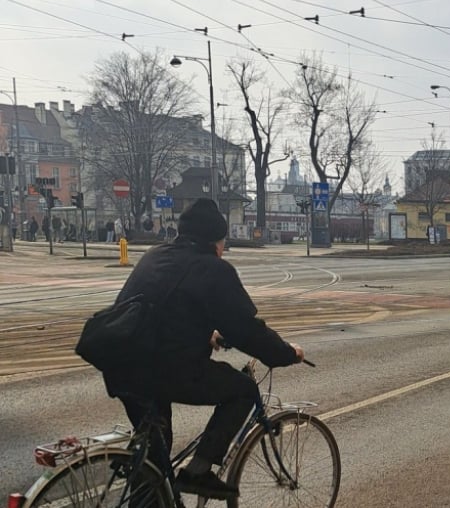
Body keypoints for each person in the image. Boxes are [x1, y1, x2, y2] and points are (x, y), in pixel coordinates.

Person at [102, 198, 304, 500]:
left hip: (120, 364)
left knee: (154, 459)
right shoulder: (213, 269)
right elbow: (247, 330)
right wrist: (287, 353)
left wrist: (205, 335)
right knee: (244, 390)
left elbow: (163, 311)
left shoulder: (157, 255)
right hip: (160, 370)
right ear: (217, 241)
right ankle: (198, 471)